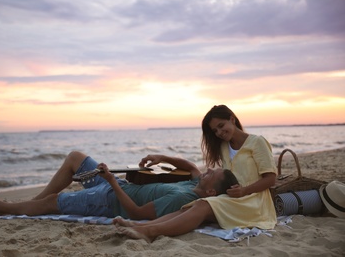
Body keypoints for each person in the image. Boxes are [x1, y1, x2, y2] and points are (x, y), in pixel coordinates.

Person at [115, 104, 278, 242]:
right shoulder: (223, 147)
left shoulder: (257, 142)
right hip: (233, 199)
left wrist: (244, 191)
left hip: (254, 203)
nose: (219, 133)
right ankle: (141, 226)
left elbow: (270, 179)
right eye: (215, 130)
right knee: (190, 206)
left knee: (202, 205)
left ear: (232, 119)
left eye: (221, 126)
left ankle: (149, 232)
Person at [0, 151, 238, 220]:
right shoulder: (193, 184)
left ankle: (1, 208)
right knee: (75, 158)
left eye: (213, 174)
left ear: (212, 191)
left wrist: (112, 181)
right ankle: (34, 202)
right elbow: (192, 167)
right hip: (115, 185)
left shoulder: (181, 200)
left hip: (107, 201)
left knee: (51, 205)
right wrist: (162, 157)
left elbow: (136, 213)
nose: (209, 170)